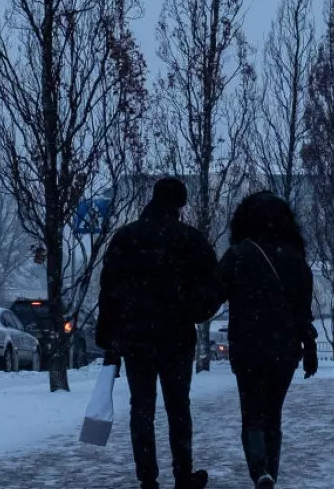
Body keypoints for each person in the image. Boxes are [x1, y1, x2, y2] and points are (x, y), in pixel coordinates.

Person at [96, 177, 218, 489]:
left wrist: (109, 334)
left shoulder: (126, 238)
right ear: (180, 204)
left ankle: (147, 478)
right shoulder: (188, 239)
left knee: (142, 407)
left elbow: (108, 288)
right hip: (176, 335)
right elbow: (211, 286)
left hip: (137, 337)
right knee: (178, 406)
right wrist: (193, 311)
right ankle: (182, 473)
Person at [216, 191, 319, 489]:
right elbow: (303, 312)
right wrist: (309, 347)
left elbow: (211, 296)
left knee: (251, 413)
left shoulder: (238, 254)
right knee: (273, 414)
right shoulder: (296, 259)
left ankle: (259, 469)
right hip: (284, 349)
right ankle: (269, 473)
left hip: (247, 347)